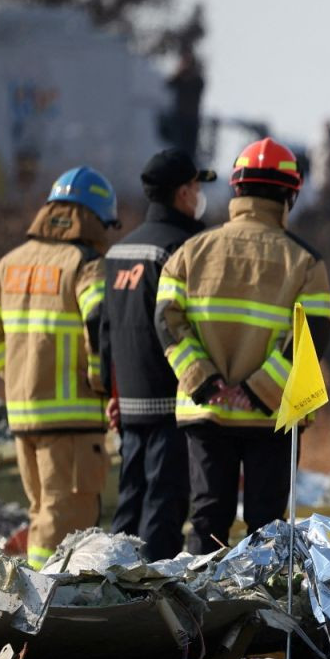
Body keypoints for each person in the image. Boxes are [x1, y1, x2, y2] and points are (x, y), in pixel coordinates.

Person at [155, 138, 330, 553]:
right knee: (267, 530)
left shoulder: (189, 252)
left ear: (237, 190)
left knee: (206, 522)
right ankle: (259, 612)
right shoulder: (305, 261)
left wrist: (206, 382)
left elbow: (166, 320)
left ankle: (199, 612)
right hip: (272, 416)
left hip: (205, 410)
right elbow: (314, 335)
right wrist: (256, 391)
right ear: (290, 194)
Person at [0, 167, 117, 568]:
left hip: (24, 417)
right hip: (73, 422)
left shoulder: (11, 263)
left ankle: (36, 602)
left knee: (41, 515)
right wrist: (102, 381)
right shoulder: (87, 264)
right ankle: (49, 609)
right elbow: (99, 320)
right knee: (67, 522)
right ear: (95, 217)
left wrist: (13, 370)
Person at [99, 149, 215, 561]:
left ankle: (110, 588)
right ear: (183, 192)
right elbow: (193, 325)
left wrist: (110, 394)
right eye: (198, 187)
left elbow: (104, 330)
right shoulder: (185, 249)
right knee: (164, 514)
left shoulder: (117, 254)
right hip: (174, 404)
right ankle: (148, 604)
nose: (200, 196)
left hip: (128, 405)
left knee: (128, 508)